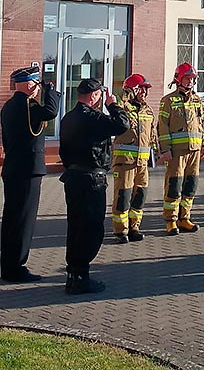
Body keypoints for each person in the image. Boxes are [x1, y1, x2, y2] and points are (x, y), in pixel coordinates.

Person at [59, 78, 129, 295]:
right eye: (100, 95)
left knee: (76, 226)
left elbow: (64, 151)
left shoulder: (68, 118)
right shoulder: (92, 118)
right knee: (91, 229)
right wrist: (113, 105)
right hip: (91, 180)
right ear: (93, 96)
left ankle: (74, 274)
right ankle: (80, 276)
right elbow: (122, 125)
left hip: (73, 177)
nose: (101, 99)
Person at [1, 65, 60, 283]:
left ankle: (8, 263)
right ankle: (15, 267)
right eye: (36, 85)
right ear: (28, 85)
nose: (38, 89)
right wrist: (51, 91)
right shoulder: (27, 106)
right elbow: (52, 111)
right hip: (27, 170)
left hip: (14, 167)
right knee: (22, 220)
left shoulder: (8, 106)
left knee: (12, 218)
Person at [158, 63, 204, 235]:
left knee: (190, 185)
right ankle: (170, 220)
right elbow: (162, 126)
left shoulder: (196, 100)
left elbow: (203, 124)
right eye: (187, 78)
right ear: (179, 79)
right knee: (174, 185)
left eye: (192, 79)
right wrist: (165, 149)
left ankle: (184, 218)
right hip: (176, 153)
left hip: (194, 151)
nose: (190, 82)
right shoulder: (168, 101)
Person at [111, 74, 158, 243]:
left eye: (146, 89)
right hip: (125, 163)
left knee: (139, 196)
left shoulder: (148, 111)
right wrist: (126, 96)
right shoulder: (122, 107)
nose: (144, 92)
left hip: (142, 163)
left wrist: (156, 153)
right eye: (141, 88)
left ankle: (134, 227)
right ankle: (120, 230)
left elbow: (152, 135)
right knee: (123, 196)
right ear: (131, 90)